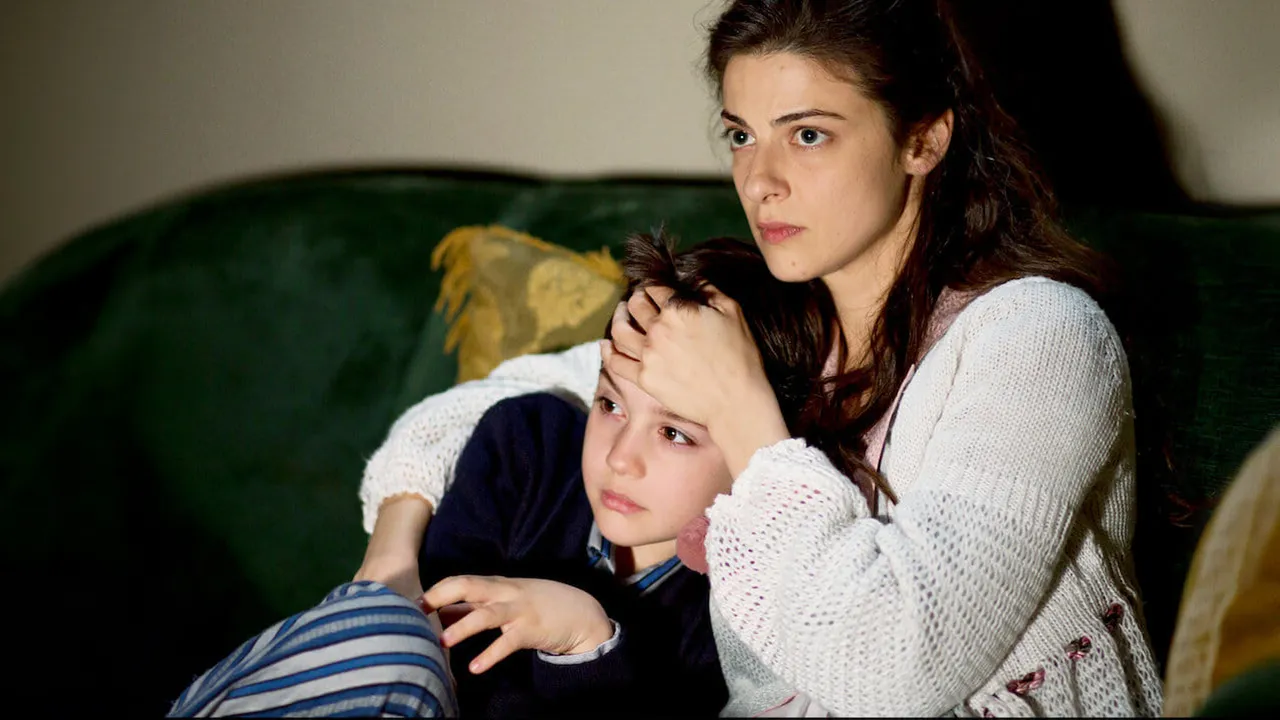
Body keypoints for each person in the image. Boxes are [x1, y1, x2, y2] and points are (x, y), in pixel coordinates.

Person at [355, 0, 1165, 716]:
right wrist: (390, 568)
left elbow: (897, 669)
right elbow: (496, 401)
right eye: (742, 135)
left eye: (807, 135)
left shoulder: (1040, 336)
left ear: (923, 138)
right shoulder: (780, 322)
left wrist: (740, 407)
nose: (759, 181)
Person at [168, 233, 844, 717]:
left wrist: (589, 644)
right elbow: (427, 643)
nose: (619, 456)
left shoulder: (737, 604)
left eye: (673, 434)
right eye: (610, 405)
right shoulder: (528, 444)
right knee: (388, 632)